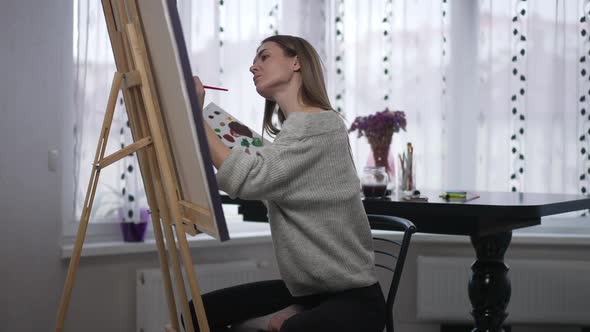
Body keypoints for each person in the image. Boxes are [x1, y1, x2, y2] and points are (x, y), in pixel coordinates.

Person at [189, 35, 385, 332]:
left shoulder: (321, 125)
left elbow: (252, 177)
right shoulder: (293, 134)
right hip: (309, 295)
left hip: (354, 300)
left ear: (296, 62)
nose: (253, 67)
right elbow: (262, 176)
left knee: (290, 328)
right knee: (199, 313)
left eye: (264, 57)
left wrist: (195, 118)